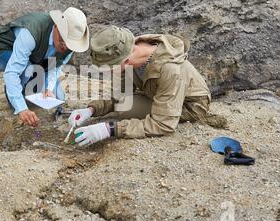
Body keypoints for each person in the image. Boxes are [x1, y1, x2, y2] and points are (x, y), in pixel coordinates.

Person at [69, 25, 213, 146]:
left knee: (125, 110)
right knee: (123, 104)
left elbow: (163, 124)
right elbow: (119, 95)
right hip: (156, 93)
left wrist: (110, 129)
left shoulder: (170, 69)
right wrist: (91, 109)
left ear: (124, 62)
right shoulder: (129, 51)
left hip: (189, 105)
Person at [0, 7, 89, 127]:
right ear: (56, 26)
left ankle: (26, 86)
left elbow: (55, 66)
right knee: (29, 70)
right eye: (63, 41)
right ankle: (15, 92)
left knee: (58, 97)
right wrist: (22, 109)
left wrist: (49, 89)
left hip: (36, 58)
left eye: (70, 44)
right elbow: (12, 72)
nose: (65, 47)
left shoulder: (69, 47)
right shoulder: (32, 32)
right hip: (5, 49)